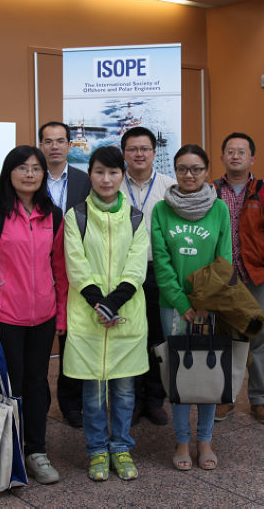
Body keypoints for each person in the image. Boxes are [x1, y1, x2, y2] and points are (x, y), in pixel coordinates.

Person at [0, 145, 67, 484]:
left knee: (38, 384)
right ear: (9, 173)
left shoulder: (53, 215)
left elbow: (60, 270)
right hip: (4, 318)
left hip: (43, 317)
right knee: (8, 386)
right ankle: (5, 452)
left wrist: (61, 315)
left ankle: (36, 450)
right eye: (23, 168)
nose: (30, 174)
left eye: (36, 168)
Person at [63, 145, 149, 482]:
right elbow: (76, 264)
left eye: (113, 172)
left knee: (125, 392)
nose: (106, 179)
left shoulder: (135, 217)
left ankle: (121, 447)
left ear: (122, 176)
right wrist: (99, 302)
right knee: (93, 394)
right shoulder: (76, 216)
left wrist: (114, 303)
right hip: (89, 316)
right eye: (99, 172)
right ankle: (97, 450)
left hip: (125, 316)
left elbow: (136, 267)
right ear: (90, 174)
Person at [151, 144, 231, 471]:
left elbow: (224, 259)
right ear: (175, 171)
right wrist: (182, 302)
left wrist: (203, 303)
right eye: (182, 168)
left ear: (207, 171)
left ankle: (205, 440)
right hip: (173, 306)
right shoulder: (161, 209)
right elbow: (162, 262)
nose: (189, 174)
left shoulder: (219, 208)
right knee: (180, 374)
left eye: (196, 168)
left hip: (209, 306)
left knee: (209, 370)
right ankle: (182, 440)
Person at [212, 132, 264, 424]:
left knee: (258, 337)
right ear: (222, 157)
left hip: (256, 277)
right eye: (230, 151)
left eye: (241, 152)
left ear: (252, 159)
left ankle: (259, 400)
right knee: (228, 339)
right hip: (224, 279)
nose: (235, 156)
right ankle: (226, 399)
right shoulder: (211, 191)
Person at [119, 126, 176, 427]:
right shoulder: (114, 185)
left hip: (157, 271)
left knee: (156, 337)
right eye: (132, 149)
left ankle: (154, 400)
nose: (139, 154)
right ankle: (131, 401)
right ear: (124, 153)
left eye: (144, 149)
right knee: (129, 337)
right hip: (123, 273)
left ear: (154, 152)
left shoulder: (170, 187)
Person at [37, 120, 91, 428]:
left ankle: (71, 405)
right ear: (41, 146)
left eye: (60, 141)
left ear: (69, 146)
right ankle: (38, 403)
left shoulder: (84, 180)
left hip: (74, 269)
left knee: (73, 342)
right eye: (48, 141)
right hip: (35, 268)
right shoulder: (31, 177)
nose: (54, 146)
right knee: (40, 342)